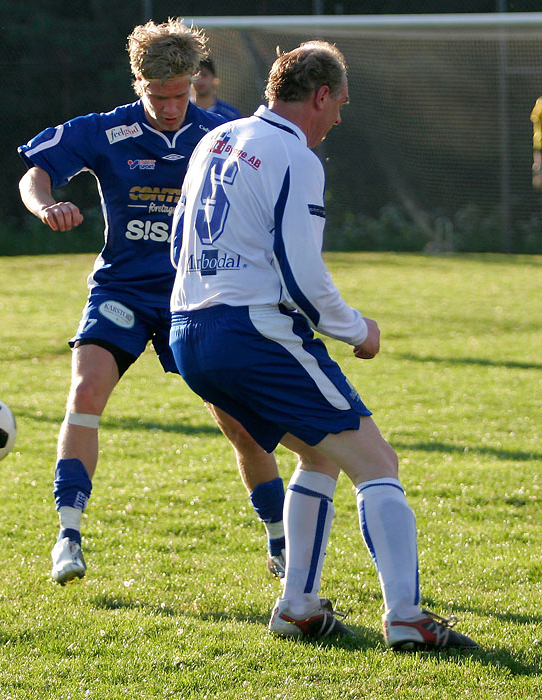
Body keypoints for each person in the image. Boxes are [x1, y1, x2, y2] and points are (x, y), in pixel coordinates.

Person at [169, 40, 478, 651]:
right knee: (377, 464)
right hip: (249, 329)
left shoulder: (215, 138)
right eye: (339, 103)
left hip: (188, 330)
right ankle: (408, 618)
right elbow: (301, 272)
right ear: (319, 95)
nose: (339, 118)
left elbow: (179, 240)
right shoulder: (294, 155)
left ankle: (298, 607)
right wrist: (356, 329)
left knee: (319, 456)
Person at [18, 19, 291, 586]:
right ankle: (68, 536)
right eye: (158, 96)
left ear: (195, 81)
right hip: (121, 289)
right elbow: (35, 172)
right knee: (85, 391)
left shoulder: (222, 133)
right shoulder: (104, 130)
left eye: (181, 93)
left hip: (194, 298)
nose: (171, 108)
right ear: (138, 81)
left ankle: (280, 539)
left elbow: (264, 203)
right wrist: (46, 206)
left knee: (239, 422)